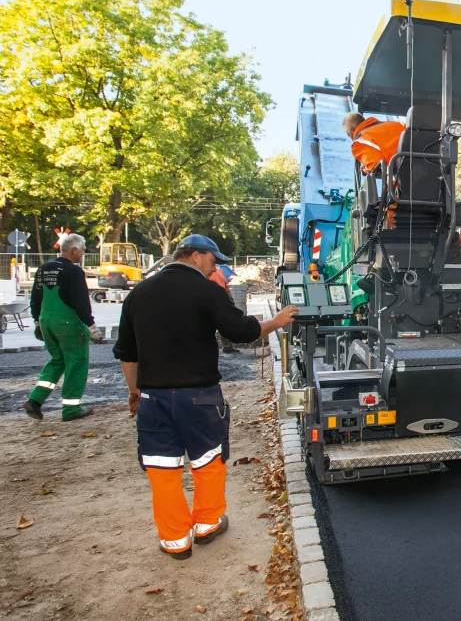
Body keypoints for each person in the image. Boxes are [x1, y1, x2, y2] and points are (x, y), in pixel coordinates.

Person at [113, 234, 298, 560]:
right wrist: (278, 321)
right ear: (196, 255)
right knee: (208, 461)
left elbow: (126, 353)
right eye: (213, 261)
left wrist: (134, 391)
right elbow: (241, 332)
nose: (215, 269)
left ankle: (175, 541)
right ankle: (207, 525)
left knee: (161, 467)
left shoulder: (138, 294)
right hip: (199, 396)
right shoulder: (206, 290)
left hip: (153, 399)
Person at [24, 233, 103, 421]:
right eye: (83, 250)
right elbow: (81, 302)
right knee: (77, 362)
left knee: (58, 360)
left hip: (46, 321)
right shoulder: (73, 271)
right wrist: (91, 326)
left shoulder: (44, 268)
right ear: (74, 250)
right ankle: (71, 409)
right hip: (68, 324)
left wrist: (37, 321)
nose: (83, 253)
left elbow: (35, 298)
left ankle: (35, 400)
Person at [208, 264, 238, 354]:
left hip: (221, 300)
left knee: (224, 323)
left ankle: (227, 346)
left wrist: (230, 299)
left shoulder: (218, 271)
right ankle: (222, 346)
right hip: (214, 300)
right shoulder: (207, 273)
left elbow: (226, 286)